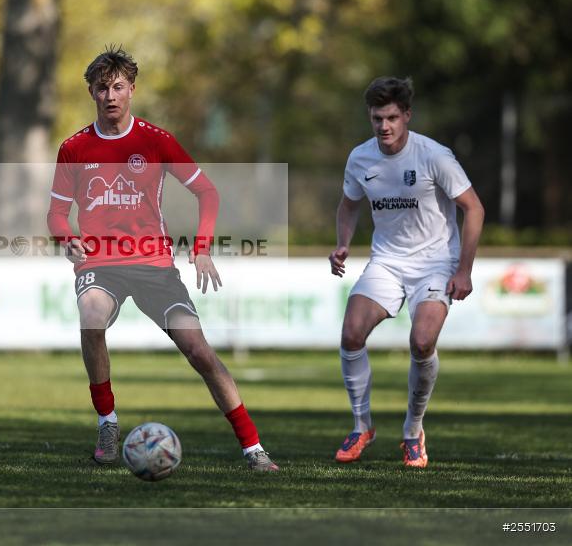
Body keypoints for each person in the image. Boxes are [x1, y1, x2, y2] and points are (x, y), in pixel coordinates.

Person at [46, 47, 278, 472]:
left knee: (199, 351)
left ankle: (253, 448)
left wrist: (201, 247)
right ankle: (107, 422)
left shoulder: (156, 141)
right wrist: (68, 238)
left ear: (132, 90)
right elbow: (56, 213)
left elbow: (207, 191)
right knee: (91, 316)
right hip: (101, 264)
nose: (110, 95)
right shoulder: (74, 148)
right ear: (91, 92)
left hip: (154, 266)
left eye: (118, 87)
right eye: (102, 88)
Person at [329, 76, 485, 468]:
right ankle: (362, 426)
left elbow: (474, 208)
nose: (384, 126)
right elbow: (348, 205)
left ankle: (413, 431)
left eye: (392, 118)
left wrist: (464, 270)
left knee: (422, 341)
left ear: (407, 116)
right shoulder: (360, 158)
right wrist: (343, 242)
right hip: (387, 261)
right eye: (377, 118)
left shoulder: (434, 156)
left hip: (435, 263)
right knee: (351, 333)